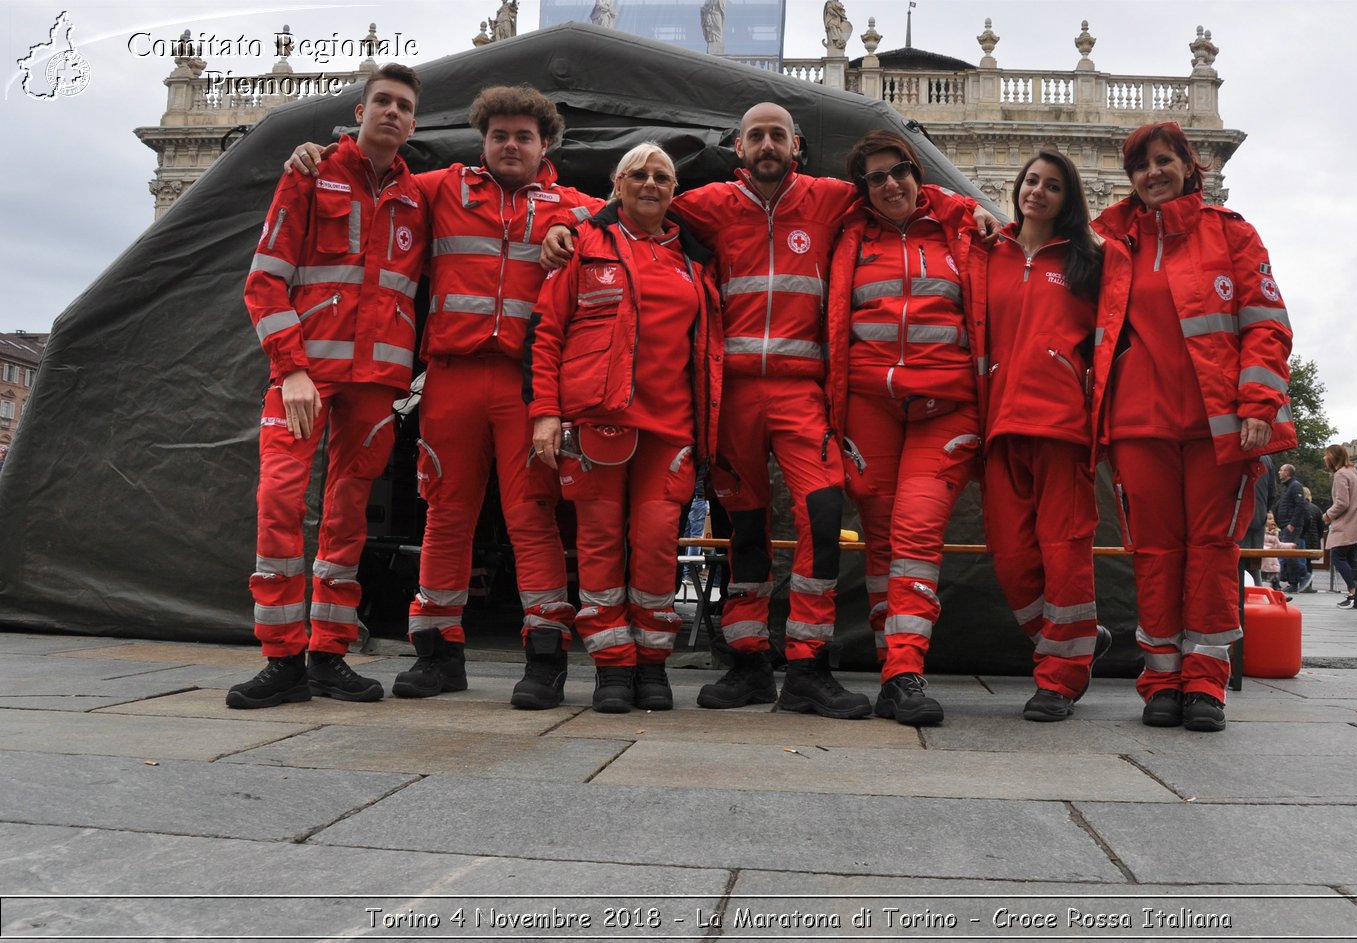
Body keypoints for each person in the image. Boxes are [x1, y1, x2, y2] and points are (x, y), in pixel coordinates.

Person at [541, 103, 996, 719]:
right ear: (739, 148)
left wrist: (972, 208)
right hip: (730, 397)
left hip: (800, 390)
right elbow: (635, 205)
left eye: (777, 135)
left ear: (797, 145)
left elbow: (907, 194)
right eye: (755, 135)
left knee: (823, 510)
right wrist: (571, 223)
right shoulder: (709, 203)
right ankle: (749, 660)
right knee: (745, 527)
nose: (766, 144)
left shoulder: (832, 197)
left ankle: (809, 665)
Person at [285, 87, 605, 708]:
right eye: (499, 135)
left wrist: (572, 224)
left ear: (546, 146)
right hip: (452, 377)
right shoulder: (441, 189)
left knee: (531, 516)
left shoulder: (575, 206)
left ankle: (545, 658)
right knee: (446, 514)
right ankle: (437, 653)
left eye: (523, 136)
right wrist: (320, 154)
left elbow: (631, 208)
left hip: (525, 383)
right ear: (483, 142)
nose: (510, 145)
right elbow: (376, 175)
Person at [229, 64, 428, 709]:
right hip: (304, 378)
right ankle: (281, 659)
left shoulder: (420, 196)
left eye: (403, 105)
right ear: (361, 110)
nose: (392, 112)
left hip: (375, 384)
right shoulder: (309, 174)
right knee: (279, 501)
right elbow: (264, 283)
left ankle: (327, 655)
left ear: (414, 122)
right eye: (382, 102)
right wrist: (291, 370)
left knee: (348, 518)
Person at [1091, 121, 1295, 733]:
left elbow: (1267, 322)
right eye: (1140, 165)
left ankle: (1205, 681)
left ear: (1188, 166)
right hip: (1138, 422)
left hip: (1219, 426)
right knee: (1154, 554)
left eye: (1163, 160)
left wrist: (1259, 404)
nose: (1153, 173)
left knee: (1211, 552)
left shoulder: (1232, 233)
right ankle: (1160, 680)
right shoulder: (1107, 238)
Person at [527, 143, 723, 713]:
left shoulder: (693, 258)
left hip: (670, 427)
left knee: (659, 544)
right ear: (617, 185)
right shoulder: (582, 245)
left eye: (662, 176)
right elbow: (547, 334)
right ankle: (613, 665)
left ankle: (652, 661)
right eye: (637, 174)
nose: (650, 183)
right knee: (600, 543)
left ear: (673, 190)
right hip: (597, 422)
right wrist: (545, 413)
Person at [824, 131, 982, 726]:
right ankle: (895, 670)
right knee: (881, 539)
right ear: (862, 189)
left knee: (915, 535)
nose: (891, 184)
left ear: (919, 175)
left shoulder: (960, 229)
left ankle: (906, 670)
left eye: (900, 172)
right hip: (869, 406)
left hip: (947, 409)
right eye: (876, 177)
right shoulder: (848, 236)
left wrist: (967, 210)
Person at [970, 148, 1107, 721]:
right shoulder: (986, 251)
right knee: (1010, 558)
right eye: (1031, 181)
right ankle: (1074, 639)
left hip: (1062, 427)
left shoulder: (1088, 261)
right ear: (1016, 188)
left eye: (1053, 185)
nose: (1038, 192)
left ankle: (1059, 678)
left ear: (1067, 198)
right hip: (999, 424)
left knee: (1065, 554)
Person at [1322, 445, 1357, 607]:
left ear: (1332, 457)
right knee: (1352, 558)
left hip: (1346, 523)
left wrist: (1328, 515)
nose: (1324, 458)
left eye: (1326, 455)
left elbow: (1342, 502)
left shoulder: (1341, 474)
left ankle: (1354, 590)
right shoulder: (1356, 471)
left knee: (1338, 556)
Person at [1241, 455, 1276, 584]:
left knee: (1232, 565)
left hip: (1235, 519)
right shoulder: (1266, 458)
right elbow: (1272, 492)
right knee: (1253, 566)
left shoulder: (1230, 449)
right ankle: (1257, 595)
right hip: (1258, 517)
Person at [1275, 463, 1309, 593]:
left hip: (1290, 526)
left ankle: (1305, 575)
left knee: (1288, 553)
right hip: (1286, 524)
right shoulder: (1288, 487)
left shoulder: (1295, 486)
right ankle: (1293, 583)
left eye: (1281, 470)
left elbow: (1300, 505)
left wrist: (1292, 524)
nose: (1279, 472)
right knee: (1287, 554)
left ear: (1287, 472)